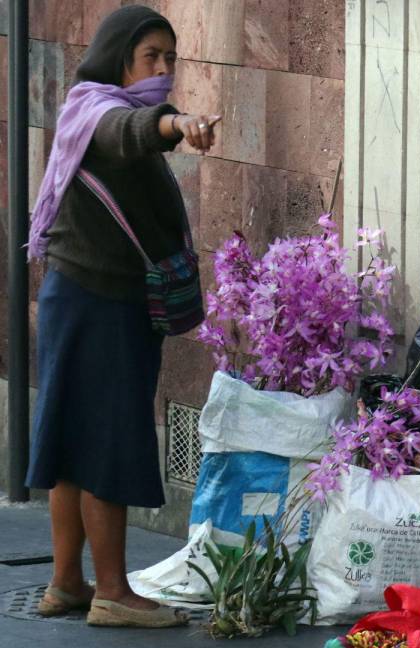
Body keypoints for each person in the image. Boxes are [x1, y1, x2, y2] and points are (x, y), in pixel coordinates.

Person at [24, 5, 220, 628]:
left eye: (170, 58)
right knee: (103, 440)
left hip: (78, 297)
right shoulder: (99, 113)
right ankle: (112, 591)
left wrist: (168, 123)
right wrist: (177, 123)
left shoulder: (89, 108)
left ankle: (65, 583)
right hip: (99, 304)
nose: (162, 68)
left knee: (72, 441)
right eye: (150, 57)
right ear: (118, 59)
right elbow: (128, 131)